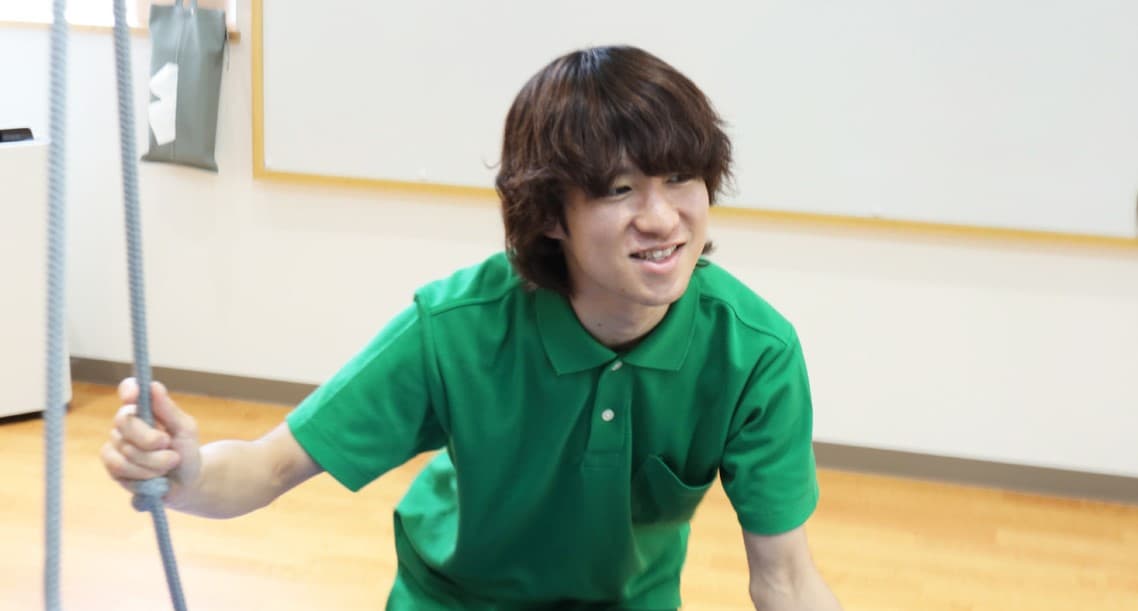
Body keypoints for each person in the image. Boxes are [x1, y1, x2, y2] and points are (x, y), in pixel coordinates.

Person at [102, 45, 843, 610]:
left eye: (680, 179)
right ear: (550, 216)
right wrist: (185, 475)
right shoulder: (456, 329)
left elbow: (783, 575)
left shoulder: (754, 352)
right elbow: (269, 467)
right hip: (454, 599)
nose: (661, 218)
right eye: (620, 190)